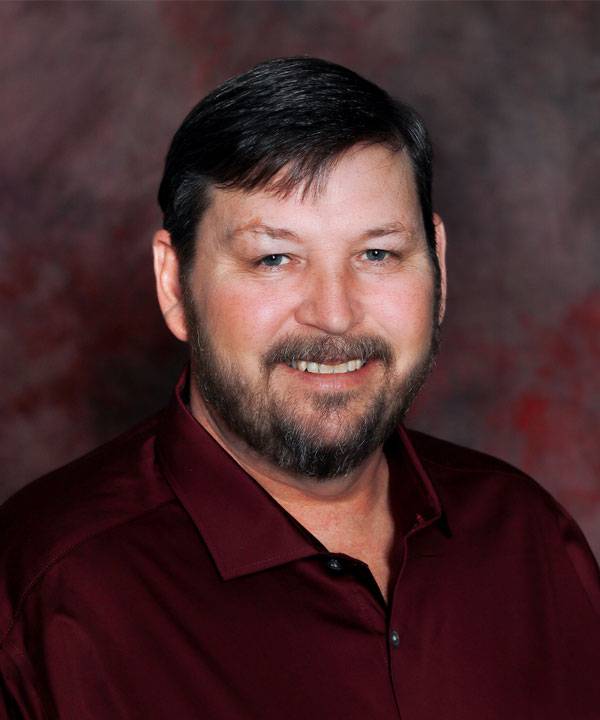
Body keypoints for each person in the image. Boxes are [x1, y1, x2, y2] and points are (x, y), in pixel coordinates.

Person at [1, 57, 598, 720]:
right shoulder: (44, 598)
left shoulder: (531, 542)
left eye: (377, 254)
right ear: (175, 285)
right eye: (275, 259)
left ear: (438, 265)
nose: (335, 314)